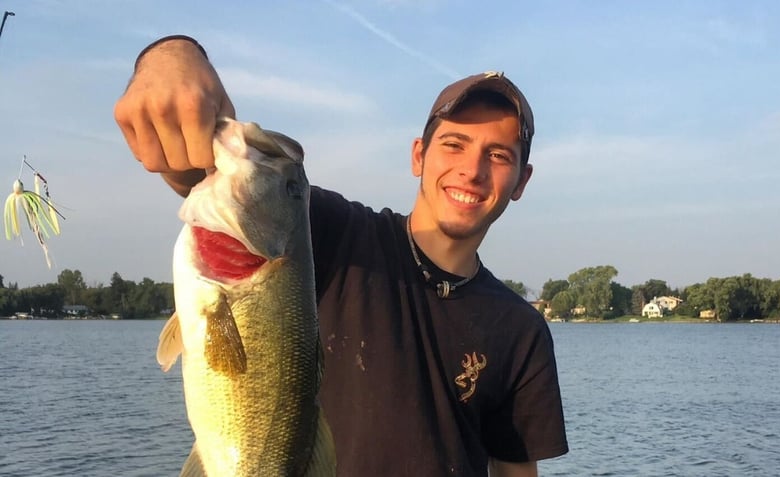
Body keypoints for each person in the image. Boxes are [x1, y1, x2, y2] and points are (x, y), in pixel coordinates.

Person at [115, 35, 568, 477]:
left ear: (522, 181)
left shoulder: (520, 329)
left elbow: (515, 467)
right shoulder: (332, 233)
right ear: (419, 155)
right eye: (454, 144)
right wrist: (173, 58)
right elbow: (199, 172)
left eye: (497, 154)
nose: (471, 170)